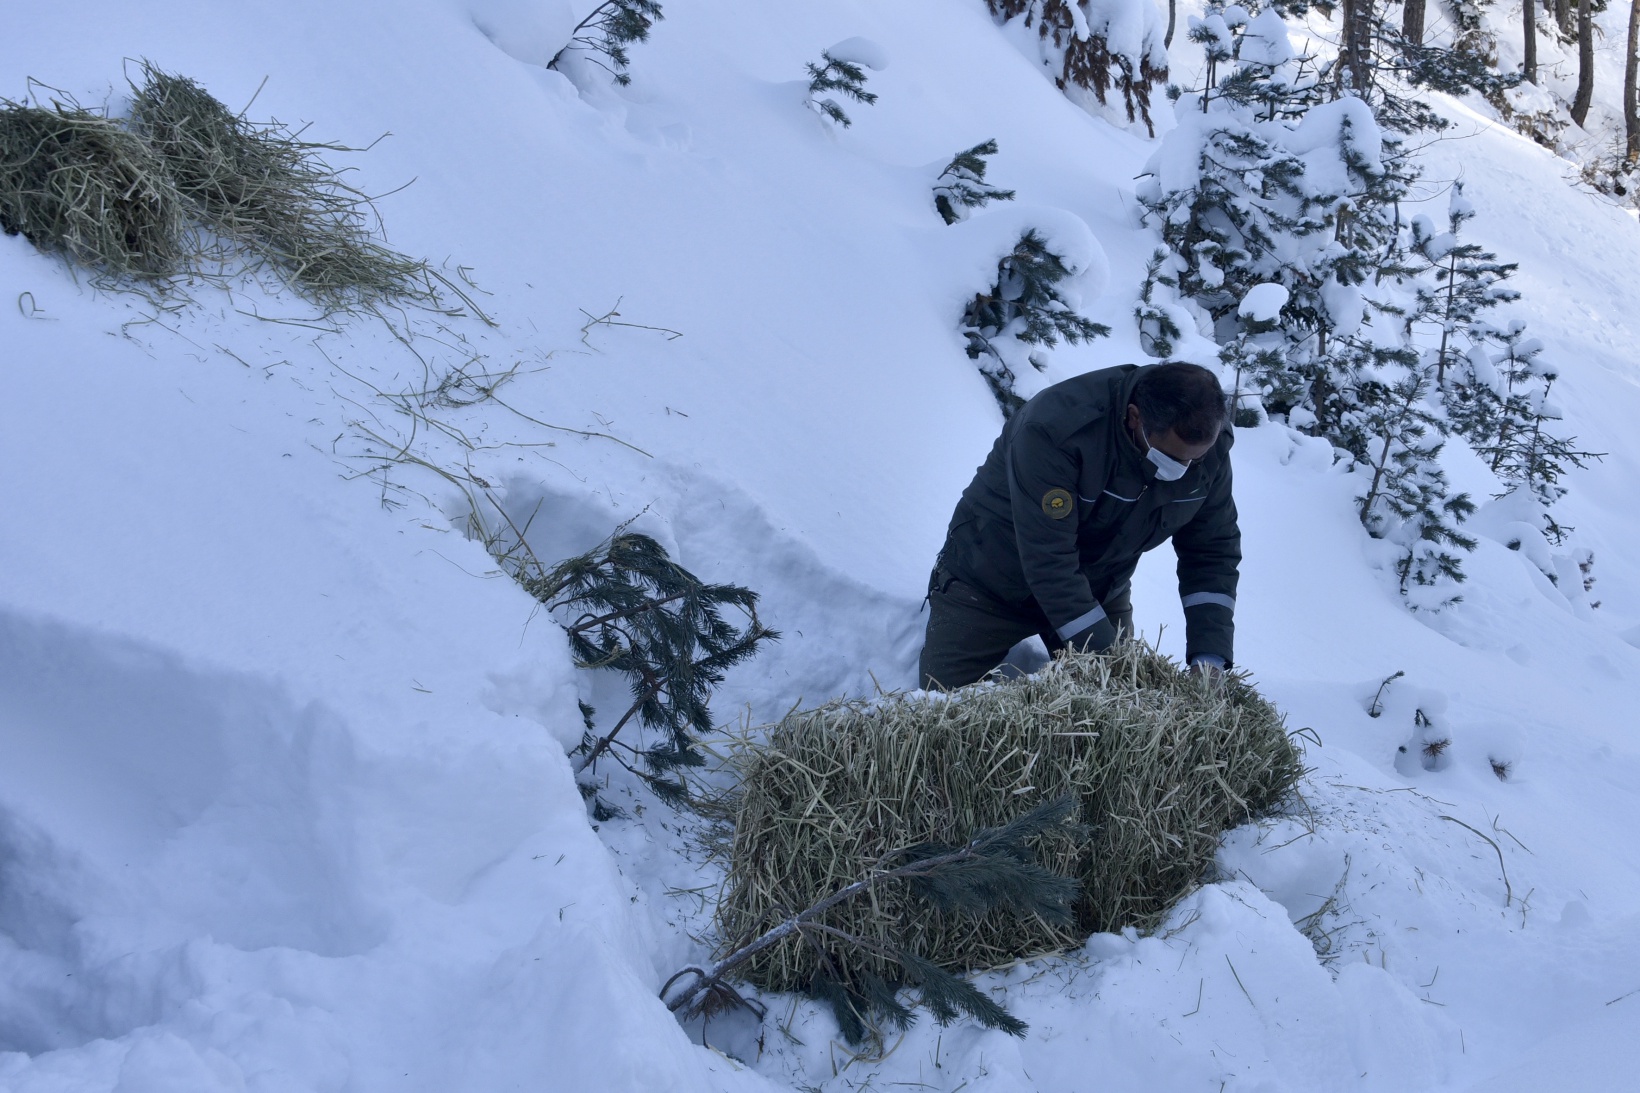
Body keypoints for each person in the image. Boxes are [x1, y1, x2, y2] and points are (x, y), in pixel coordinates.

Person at [919, 361, 1239, 690]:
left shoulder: (1206, 445)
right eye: (1170, 460)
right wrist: (1109, 661)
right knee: (941, 703)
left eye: (1195, 460)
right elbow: (1049, 559)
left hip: (1098, 589)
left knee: (1122, 701)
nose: (1184, 469)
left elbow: (1212, 551)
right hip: (992, 581)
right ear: (1135, 418)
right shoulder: (1056, 428)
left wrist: (1209, 658)